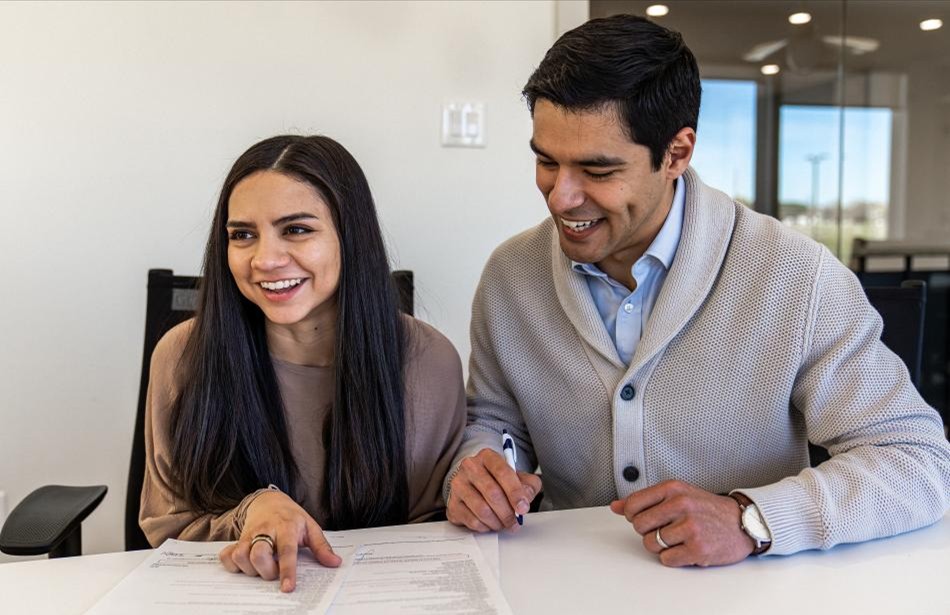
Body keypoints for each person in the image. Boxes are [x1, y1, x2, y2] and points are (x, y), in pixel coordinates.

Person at [445, 14, 950, 567]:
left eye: (597, 169)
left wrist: (752, 519)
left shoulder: (797, 277)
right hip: (568, 584)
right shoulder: (509, 277)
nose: (561, 196)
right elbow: (493, 422)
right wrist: (481, 467)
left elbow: (917, 460)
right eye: (546, 161)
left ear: (678, 153)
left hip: (750, 592)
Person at [140, 135, 466, 591]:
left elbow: (435, 532)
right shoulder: (181, 356)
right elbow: (165, 528)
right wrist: (250, 515)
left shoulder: (428, 361)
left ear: (350, 237)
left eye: (296, 229)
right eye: (243, 235)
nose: (266, 259)